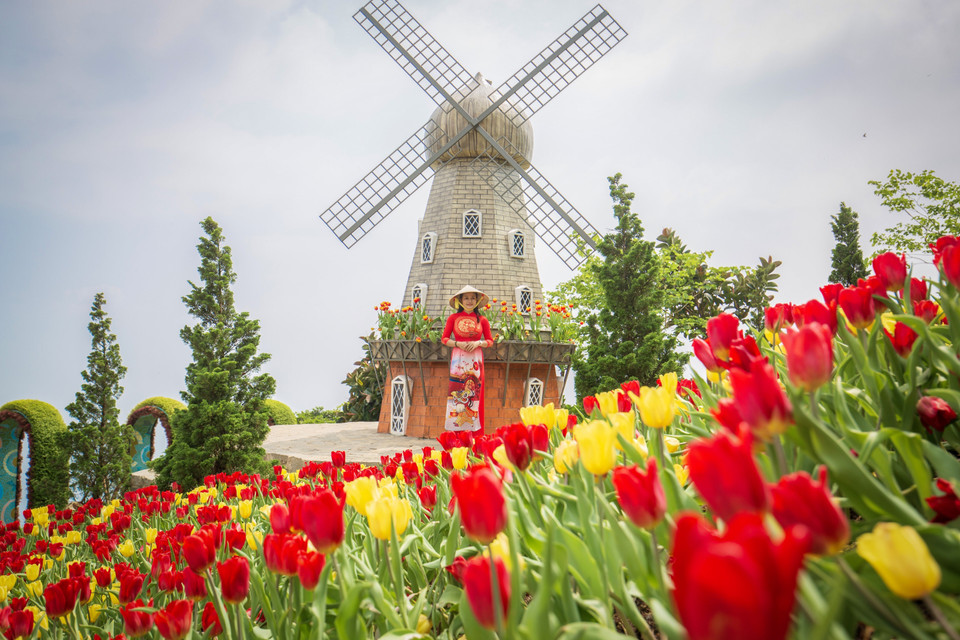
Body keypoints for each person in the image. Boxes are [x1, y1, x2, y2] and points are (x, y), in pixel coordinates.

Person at [442, 286, 493, 432]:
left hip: (476, 360)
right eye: (466, 298)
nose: (469, 301)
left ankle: (475, 434)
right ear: (460, 300)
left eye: (472, 298)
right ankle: (456, 433)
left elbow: (490, 341)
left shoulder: (482, 320)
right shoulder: (453, 318)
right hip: (458, 359)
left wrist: (478, 343)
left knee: (475, 391)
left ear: (477, 300)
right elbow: (444, 339)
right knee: (456, 390)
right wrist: (458, 344)